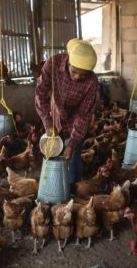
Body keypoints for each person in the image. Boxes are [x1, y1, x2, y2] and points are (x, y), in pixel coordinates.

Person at [35, 38, 98, 183]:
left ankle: (73, 189)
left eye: (83, 75)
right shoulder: (53, 63)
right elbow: (41, 93)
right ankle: (53, 185)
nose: (77, 78)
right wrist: (48, 122)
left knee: (73, 154)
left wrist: (72, 143)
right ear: (68, 61)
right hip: (55, 112)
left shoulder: (92, 82)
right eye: (74, 72)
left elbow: (84, 115)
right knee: (53, 150)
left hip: (75, 118)